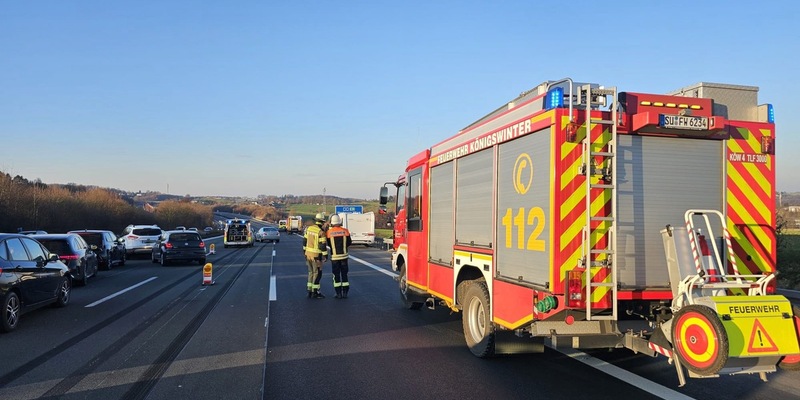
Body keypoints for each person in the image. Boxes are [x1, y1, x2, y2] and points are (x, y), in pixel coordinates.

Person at [326, 214, 352, 299]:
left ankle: (338, 293)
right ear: (340, 222)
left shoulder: (329, 232)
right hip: (344, 257)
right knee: (344, 274)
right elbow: (349, 242)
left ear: (332, 223)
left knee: (336, 275)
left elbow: (329, 244)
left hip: (335, 258)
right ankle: (345, 292)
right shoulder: (346, 231)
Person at [303, 213, 328, 298]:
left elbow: (304, 241)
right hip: (316, 256)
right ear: (322, 222)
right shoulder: (321, 232)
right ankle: (315, 292)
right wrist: (325, 256)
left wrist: (304, 252)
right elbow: (322, 246)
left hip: (308, 254)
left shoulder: (309, 229)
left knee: (310, 272)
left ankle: (309, 290)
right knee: (317, 273)